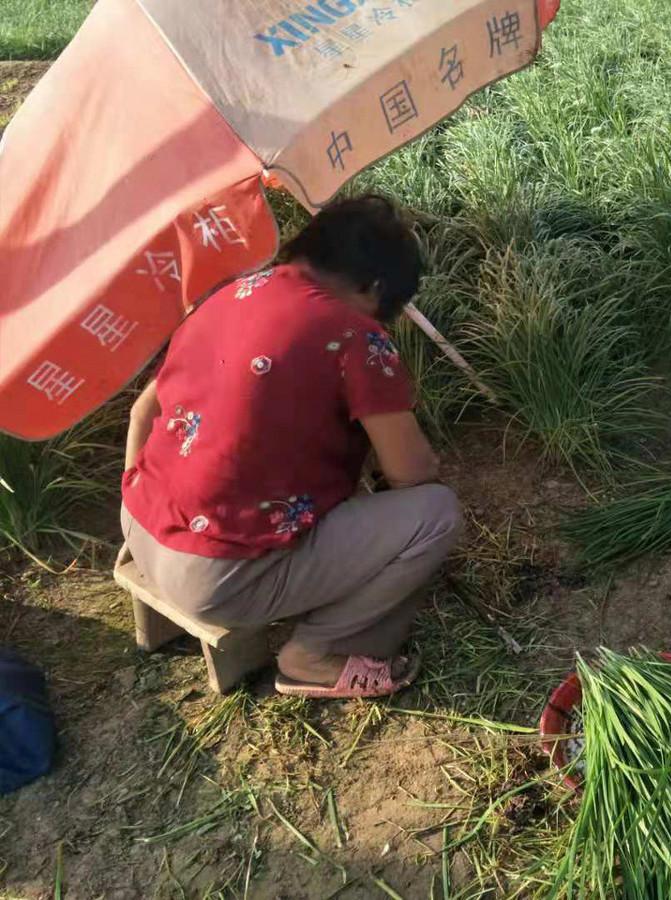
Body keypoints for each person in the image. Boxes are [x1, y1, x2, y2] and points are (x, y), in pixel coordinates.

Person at [120, 195, 462, 699]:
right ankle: (315, 654)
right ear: (373, 288)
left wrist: (140, 506)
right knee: (436, 514)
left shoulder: (228, 295)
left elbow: (141, 412)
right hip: (214, 577)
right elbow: (409, 474)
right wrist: (422, 461)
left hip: (140, 523)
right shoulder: (355, 336)